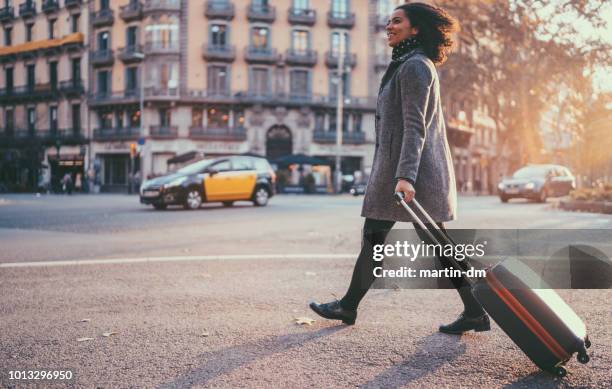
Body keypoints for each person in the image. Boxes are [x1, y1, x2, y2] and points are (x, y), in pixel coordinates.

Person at [309, 3, 490, 334]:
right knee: (378, 239)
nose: (388, 26)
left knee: (435, 244)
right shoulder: (405, 64)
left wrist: (405, 176)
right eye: (388, 21)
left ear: (416, 28)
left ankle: (476, 309)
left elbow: (414, 126)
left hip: (412, 176)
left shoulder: (415, 67)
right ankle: (349, 307)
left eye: (396, 21)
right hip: (398, 173)